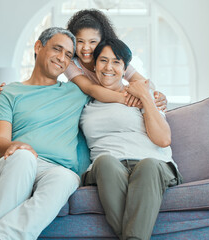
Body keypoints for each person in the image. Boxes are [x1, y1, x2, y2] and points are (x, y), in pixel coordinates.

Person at [0, 27, 89, 240]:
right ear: (38, 46)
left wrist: (151, 94)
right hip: (12, 164)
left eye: (68, 55)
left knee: (67, 178)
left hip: (55, 170)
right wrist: (17, 146)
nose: (61, 58)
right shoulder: (8, 93)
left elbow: (113, 81)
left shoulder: (77, 92)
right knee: (23, 157)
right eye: (56, 49)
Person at [79, 38, 183, 240]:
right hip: (107, 168)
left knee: (148, 165)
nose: (109, 67)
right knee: (105, 161)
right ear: (94, 64)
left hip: (155, 166)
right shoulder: (85, 99)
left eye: (116, 62)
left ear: (125, 68)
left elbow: (163, 139)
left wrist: (145, 96)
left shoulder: (141, 95)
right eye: (103, 60)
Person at [0, 9, 168, 110]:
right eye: (80, 42)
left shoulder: (111, 59)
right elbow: (90, 88)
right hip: (93, 108)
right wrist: (129, 99)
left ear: (102, 41)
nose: (86, 48)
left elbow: (143, 82)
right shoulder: (72, 64)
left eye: (92, 42)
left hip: (117, 106)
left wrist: (153, 95)